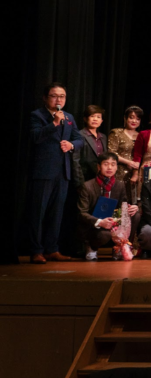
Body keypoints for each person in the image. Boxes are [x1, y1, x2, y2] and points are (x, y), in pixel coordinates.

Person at [27, 83, 83, 264]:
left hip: (63, 172)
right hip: (44, 171)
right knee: (38, 213)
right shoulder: (37, 115)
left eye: (62, 96)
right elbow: (35, 137)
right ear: (45, 98)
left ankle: (52, 249)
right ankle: (36, 250)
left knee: (57, 213)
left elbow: (79, 139)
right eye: (54, 96)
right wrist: (54, 123)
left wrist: (71, 145)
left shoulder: (69, 117)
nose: (59, 99)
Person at [78, 152, 140, 260]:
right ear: (98, 167)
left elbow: (122, 206)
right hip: (95, 227)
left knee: (135, 215)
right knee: (104, 235)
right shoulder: (87, 186)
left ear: (116, 167)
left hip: (113, 223)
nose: (109, 167)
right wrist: (100, 222)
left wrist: (131, 208)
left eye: (113, 164)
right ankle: (91, 247)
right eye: (106, 164)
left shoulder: (120, 185)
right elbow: (81, 212)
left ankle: (120, 246)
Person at [108, 106, 143, 199]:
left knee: (133, 201)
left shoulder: (141, 135)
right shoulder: (116, 133)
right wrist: (129, 162)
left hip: (136, 173)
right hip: (119, 171)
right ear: (125, 118)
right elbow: (111, 152)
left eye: (138, 119)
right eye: (131, 117)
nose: (134, 121)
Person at [77, 105, 108, 183]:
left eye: (98, 117)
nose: (95, 119)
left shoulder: (103, 137)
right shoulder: (79, 135)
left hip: (101, 178)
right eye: (92, 116)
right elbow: (75, 161)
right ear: (85, 119)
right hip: (85, 177)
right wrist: (79, 181)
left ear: (101, 121)